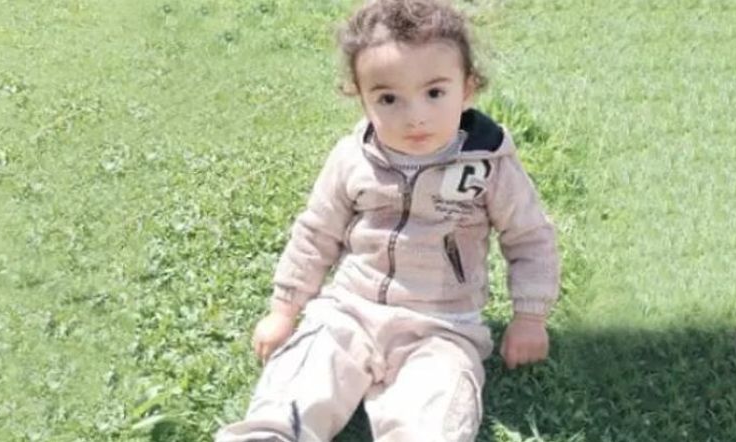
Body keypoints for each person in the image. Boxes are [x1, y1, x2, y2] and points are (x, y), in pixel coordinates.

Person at [216, 0, 559, 440]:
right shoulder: (352, 159)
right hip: (349, 311)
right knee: (303, 373)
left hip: (443, 327)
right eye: (388, 98)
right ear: (360, 97)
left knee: (437, 410)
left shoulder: (489, 164)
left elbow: (530, 239)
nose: (414, 115)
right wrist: (285, 309)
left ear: (467, 88)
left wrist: (530, 317)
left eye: (434, 93)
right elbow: (316, 233)